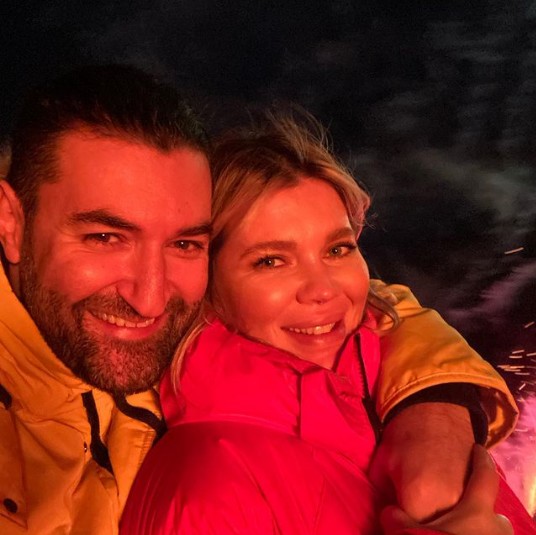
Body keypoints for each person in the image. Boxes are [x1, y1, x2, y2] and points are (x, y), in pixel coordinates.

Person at [0, 65, 520, 534]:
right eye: (104, 237)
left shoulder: (365, 387)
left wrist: (433, 404)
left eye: (184, 244)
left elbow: (377, 306)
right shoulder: (209, 479)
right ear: (11, 221)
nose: (150, 299)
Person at [120, 114, 535, 534]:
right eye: (271, 261)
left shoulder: (408, 416)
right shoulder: (206, 488)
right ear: (205, 280)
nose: (322, 290)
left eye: (337, 249)